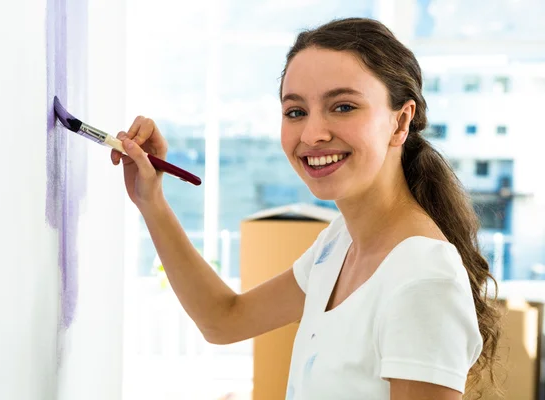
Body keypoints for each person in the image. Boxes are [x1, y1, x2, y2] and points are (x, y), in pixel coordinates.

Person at [110, 17, 501, 400]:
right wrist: (151, 201)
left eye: (344, 107)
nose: (313, 134)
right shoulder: (340, 242)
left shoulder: (423, 280)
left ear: (401, 121)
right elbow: (223, 319)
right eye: (296, 112)